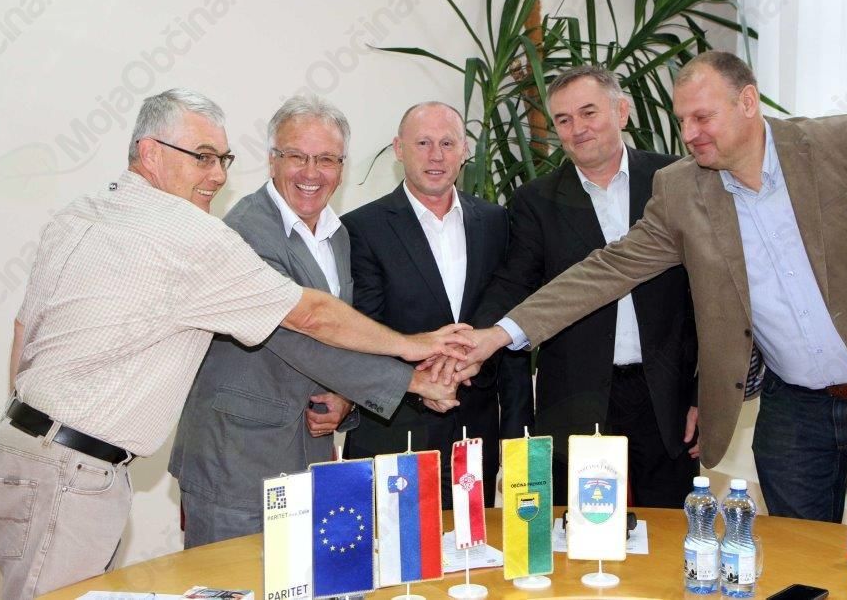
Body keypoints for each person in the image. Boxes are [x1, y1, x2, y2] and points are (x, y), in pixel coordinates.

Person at [459, 51, 847, 528]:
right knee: (799, 558)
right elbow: (608, 269)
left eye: (702, 117)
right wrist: (499, 334)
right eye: (682, 121)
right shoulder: (681, 189)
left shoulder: (840, 143)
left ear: (747, 102)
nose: (690, 133)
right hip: (793, 410)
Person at [0, 89, 471, 599]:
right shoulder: (204, 236)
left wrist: (36, 429)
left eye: (222, 159)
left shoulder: (81, 213)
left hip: (33, 451)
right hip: (139, 468)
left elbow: (23, 329)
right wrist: (411, 360)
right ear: (150, 153)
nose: (217, 175)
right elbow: (306, 322)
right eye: (203, 157)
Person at [168, 95, 455, 547]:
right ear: (272, 160)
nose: (311, 172)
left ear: (341, 167)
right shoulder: (245, 232)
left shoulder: (335, 234)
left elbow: (341, 336)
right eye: (296, 157)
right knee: (231, 581)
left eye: (326, 159)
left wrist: (345, 399)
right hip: (236, 464)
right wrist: (415, 380)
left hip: (305, 457)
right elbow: (303, 334)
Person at [474, 65, 700, 507]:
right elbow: (513, 285)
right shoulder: (535, 200)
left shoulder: (675, 180)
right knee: (580, 531)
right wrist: (470, 342)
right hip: (576, 400)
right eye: (563, 119)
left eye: (588, 112)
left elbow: (707, 298)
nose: (577, 128)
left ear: (622, 112)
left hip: (667, 401)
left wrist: (703, 397)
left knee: (669, 531)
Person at [341, 101, 533, 508]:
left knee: (474, 546)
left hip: (475, 434)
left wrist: (518, 439)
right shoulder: (361, 227)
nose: (436, 156)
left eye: (447, 143)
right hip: (395, 432)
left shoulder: (496, 222)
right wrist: (422, 383)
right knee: (396, 546)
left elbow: (510, 326)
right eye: (423, 143)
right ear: (399, 149)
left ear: (465, 150)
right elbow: (363, 331)